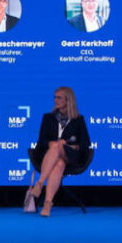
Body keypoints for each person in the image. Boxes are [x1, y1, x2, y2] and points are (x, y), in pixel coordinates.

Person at [27, 87, 90, 217]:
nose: (56, 100)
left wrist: (72, 146)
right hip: (49, 155)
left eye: (59, 97)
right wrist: (51, 144)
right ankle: (47, 204)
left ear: (68, 100)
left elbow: (85, 143)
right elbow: (42, 141)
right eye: (55, 97)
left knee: (59, 146)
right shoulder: (47, 117)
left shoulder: (79, 120)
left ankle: (40, 183)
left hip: (70, 156)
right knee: (59, 162)